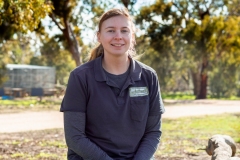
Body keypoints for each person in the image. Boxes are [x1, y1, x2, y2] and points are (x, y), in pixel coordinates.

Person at [60, 7, 165, 160]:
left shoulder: (149, 77)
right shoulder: (80, 77)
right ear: (99, 37)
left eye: (124, 30)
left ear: (132, 36)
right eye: (110, 31)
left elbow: (153, 132)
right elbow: (75, 137)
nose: (118, 36)